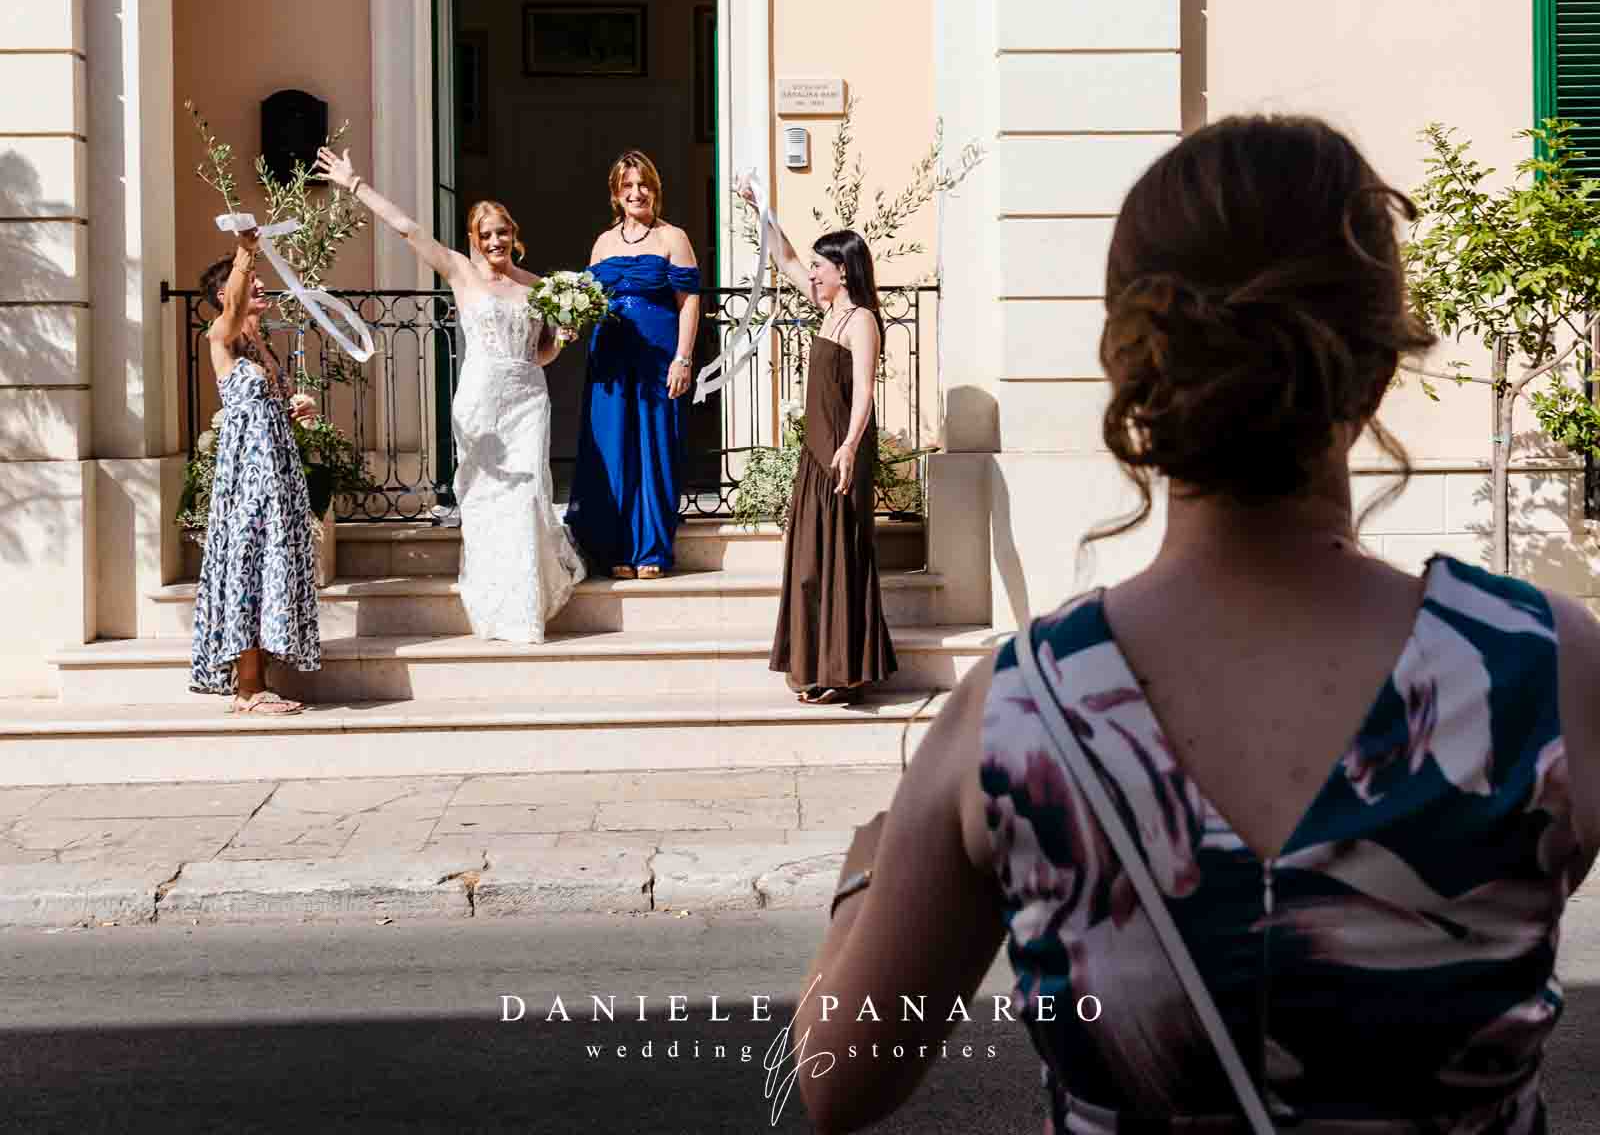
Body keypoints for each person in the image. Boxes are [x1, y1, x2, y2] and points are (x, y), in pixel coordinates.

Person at [785, 116, 1600, 1133]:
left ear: (1133, 368)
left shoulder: (1016, 712)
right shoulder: (1544, 669)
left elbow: (835, 1083)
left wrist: (865, 874)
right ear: (1378, 363)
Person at [314, 147, 586, 642]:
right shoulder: (462, 272)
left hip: (528, 397)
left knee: (527, 496)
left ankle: (524, 609)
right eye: (486, 235)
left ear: (514, 234)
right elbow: (408, 230)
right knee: (487, 499)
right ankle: (495, 600)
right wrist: (355, 184)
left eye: (502, 232)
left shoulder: (539, 287)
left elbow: (540, 354)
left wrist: (563, 340)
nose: (495, 241)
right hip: (481, 398)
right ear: (474, 241)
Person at [737, 185, 896, 704]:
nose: (811, 273)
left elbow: (866, 391)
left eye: (819, 267)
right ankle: (815, 665)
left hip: (843, 452)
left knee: (840, 558)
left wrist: (849, 446)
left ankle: (842, 672)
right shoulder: (827, 311)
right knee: (809, 560)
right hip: (817, 451)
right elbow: (783, 257)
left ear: (842, 271)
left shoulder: (861, 321)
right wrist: (760, 207)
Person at [189, 227, 322, 712]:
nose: (261, 285)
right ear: (227, 294)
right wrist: (246, 250)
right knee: (246, 564)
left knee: (270, 564)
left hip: (278, 469)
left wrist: (299, 407)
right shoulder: (220, 335)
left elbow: (269, 406)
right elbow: (232, 307)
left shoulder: (261, 343)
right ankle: (248, 689)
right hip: (247, 473)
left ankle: (257, 682)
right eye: (251, 281)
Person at [568, 150, 701, 580]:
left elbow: (689, 302)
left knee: (655, 445)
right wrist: (567, 320)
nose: (636, 192)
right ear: (615, 193)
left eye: (643, 184)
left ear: (654, 189)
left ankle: (651, 549)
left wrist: (683, 357)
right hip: (609, 359)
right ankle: (615, 548)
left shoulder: (672, 238)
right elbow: (587, 300)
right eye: (627, 185)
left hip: (657, 356)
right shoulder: (602, 243)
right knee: (612, 447)